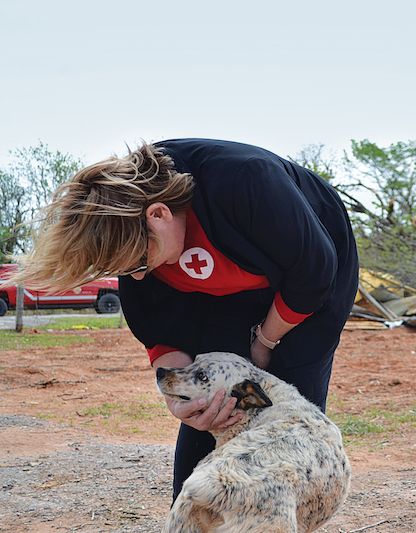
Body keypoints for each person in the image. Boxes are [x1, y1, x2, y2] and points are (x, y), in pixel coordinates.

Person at [18, 138, 359, 501]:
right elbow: (158, 326)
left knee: (287, 407)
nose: (136, 277)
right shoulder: (132, 236)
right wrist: (182, 402)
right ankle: (194, 513)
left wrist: (263, 343)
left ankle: (278, 514)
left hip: (312, 280)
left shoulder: (245, 179)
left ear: (159, 215)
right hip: (219, 297)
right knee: (212, 404)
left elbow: (313, 273)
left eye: (138, 263)